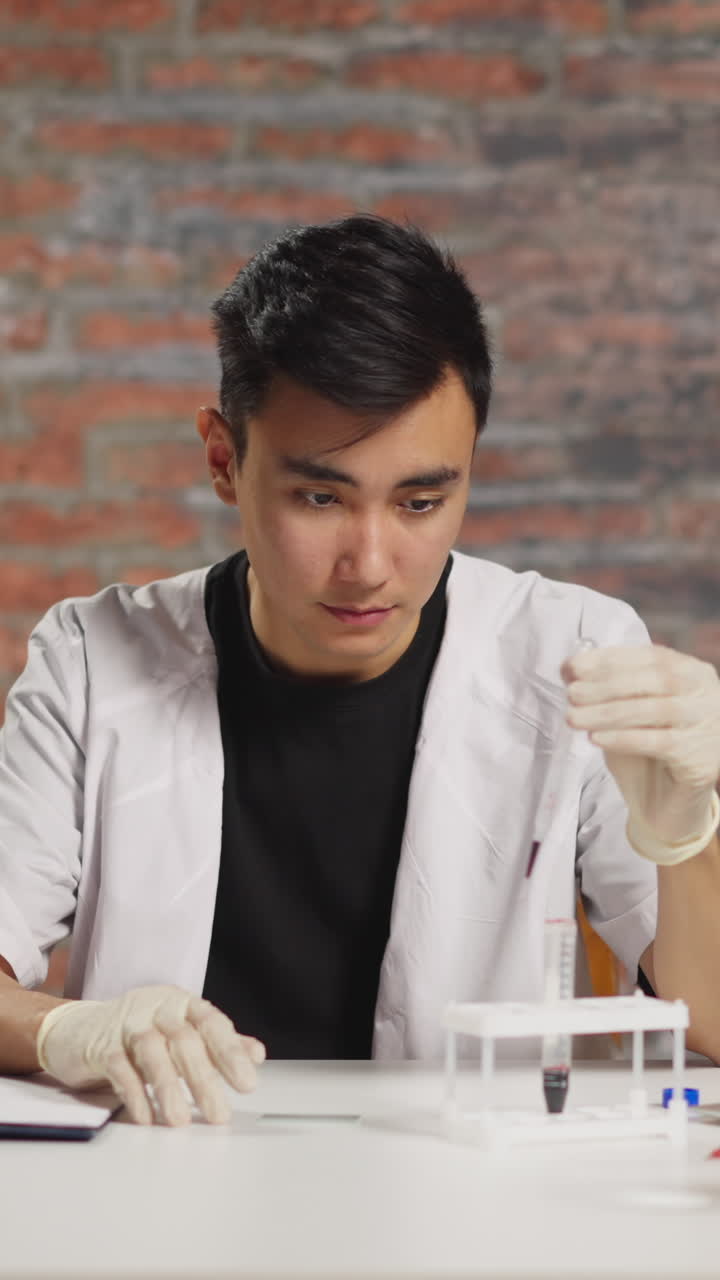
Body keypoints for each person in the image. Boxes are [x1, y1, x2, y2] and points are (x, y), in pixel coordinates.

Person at [0, 215, 719, 1127]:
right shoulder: (91, 662)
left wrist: (689, 835)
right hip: (167, 1170)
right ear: (225, 461)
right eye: (319, 497)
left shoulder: (573, 652)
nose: (372, 562)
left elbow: (713, 1026)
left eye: (422, 500)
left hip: (463, 1195)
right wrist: (68, 1029)